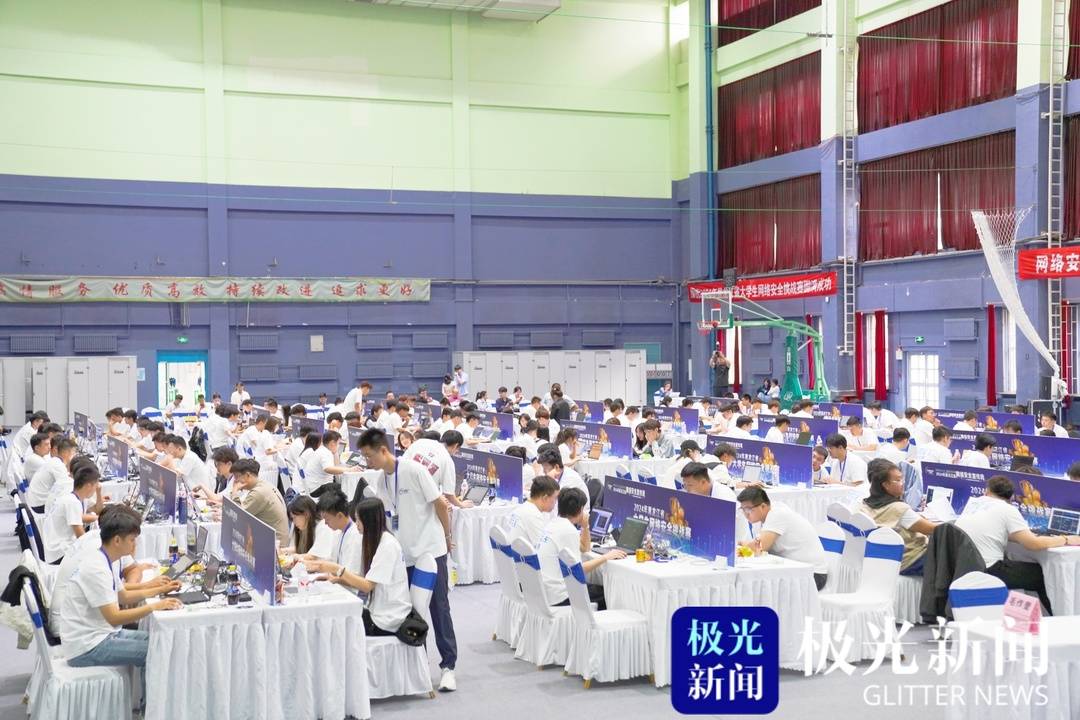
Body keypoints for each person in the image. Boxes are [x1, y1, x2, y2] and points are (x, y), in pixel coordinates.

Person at [358, 428, 457, 691]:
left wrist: (447, 537)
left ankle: (448, 666)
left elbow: (440, 504)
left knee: (439, 608)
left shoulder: (414, 470)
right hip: (405, 555)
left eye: (369, 456)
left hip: (430, 550)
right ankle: (419, 666)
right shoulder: (381, 480)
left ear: (383, 450)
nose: (367, 461)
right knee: (412, 611)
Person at [59, 507, 182, 700]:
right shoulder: (96, 568)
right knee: (156, 650)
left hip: (98, 635)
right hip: (87, 646)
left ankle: (151, 705)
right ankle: (148, 708)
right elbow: (114, 617)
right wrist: (154, 606)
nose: (134, 545)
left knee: (159, 640)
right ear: (117, 540)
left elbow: (122, 595)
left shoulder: (104, 558)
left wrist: (159, 590)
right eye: (132, 540)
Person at [956, 475, 1080, 614]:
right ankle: (1056, 617)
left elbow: (992, 531)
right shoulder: (1007, 509)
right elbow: (1033, 544)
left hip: (963, 566)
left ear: (987, 491)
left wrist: (1025, 536)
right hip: (989, 569)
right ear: (1010, 497)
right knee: (1044, 575)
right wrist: (1066, 539)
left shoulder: (974, 503)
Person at [303, 497, 412, 636]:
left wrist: (337, 570)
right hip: (377, 608)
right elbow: (366, 580)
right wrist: (337, 579)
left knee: (335, 625)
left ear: (369, 521)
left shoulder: (388, 545)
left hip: (387, 617)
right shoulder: (377, 540)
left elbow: (367, 586)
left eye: (359, 520)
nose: (357, 524)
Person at [536, 488, 625, 609]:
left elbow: (585, 548)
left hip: (544, 591)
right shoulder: (568, 530)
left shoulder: (553, 524)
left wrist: (585, 526)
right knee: (607, 593)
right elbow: (578, 570)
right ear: (581, 509)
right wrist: (606, 557)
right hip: (559, 596)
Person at [737, 486, 829, 590]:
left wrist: (741, 544)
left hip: (813, 575)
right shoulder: (760, 519)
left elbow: (759, 548)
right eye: (742, 509)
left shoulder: (777, 514)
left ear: (763, 506)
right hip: (794, 569)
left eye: (748, 509)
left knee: (759, 587)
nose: (746, 514)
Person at [859, 459, 936, 575]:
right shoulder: (899, 509)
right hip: (911, 560)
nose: (903, 483)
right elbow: (933, 529)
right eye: (898, 480)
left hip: (886, 559)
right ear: (885, 485)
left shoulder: (865, 505)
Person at [44, 464, 104, 564]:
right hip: (59, 553)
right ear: (89, 486)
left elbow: (95, 510)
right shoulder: (72, 503)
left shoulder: (73, 498)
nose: (96, 488)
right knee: (99, 554)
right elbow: (81, 537)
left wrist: (99, 493)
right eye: (96, 485)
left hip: (55, 549)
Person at [227, 459, 289, 543]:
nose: (235, 481)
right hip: (273, 538)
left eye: (237, 477)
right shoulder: (264, 484)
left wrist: (234, 491)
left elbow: (237, 516)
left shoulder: (258, 492)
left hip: (275, 544)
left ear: (247, 475)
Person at [28, 437, 76, 514]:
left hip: (37, 501)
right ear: (66, 453)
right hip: (40, 505)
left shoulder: (55, 461)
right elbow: (68, 488)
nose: (75, 455)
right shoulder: (58, 466)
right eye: (74, 452)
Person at [537, 446, 590, 513]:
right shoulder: (560, 474)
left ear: (556, 467)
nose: (544, 471)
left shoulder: (570, 480)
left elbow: (555, 505)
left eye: (545, 468)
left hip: (575, 514)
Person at [507, 475, 559, 544]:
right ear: (545, 498)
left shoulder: (523, 508)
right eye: (555, 498)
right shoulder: (533, 515)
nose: (556, 502)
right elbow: (542, 547)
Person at [302, 430, 348, 494]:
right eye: (338, 443)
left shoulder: (322, 449)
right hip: (316, 489)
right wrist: (349, 469)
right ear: (332, 443)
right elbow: (328, 469)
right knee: (345, 488)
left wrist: (335, 452)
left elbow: (336, 465)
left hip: (312, 486)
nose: (339, 446)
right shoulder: (325, 453)